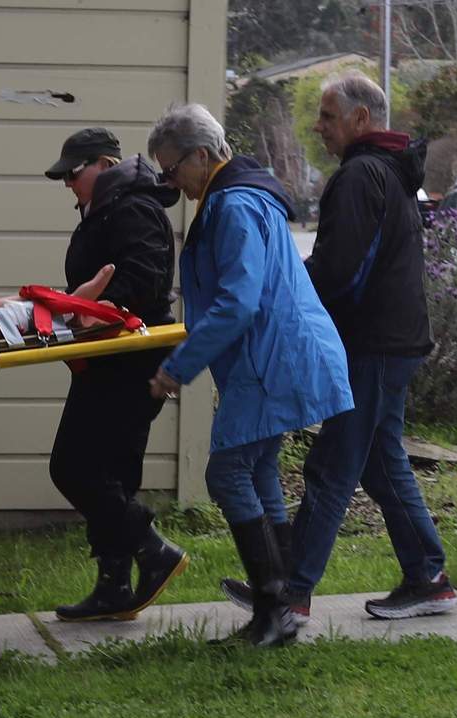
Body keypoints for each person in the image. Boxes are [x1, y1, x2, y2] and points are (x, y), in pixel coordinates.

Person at [146, 104, 353, 646]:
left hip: (272, 360)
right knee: (258, 471)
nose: (171, 183)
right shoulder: (240, 195)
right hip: (279, 354)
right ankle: (280, 606)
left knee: (228, 473)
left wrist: (176, 369)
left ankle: (275, 609)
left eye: (172, 170)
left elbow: (238, 302)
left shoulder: (233, 204)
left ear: (201, 155)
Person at [270, 71, 456, 624]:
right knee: (378, 461)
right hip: (393, 340)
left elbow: (340, 271)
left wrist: (287, 296)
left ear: (360, 119)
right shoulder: (390, 171)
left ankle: (289, 593)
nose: (319, 126)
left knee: (333, 464)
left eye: (328, 116)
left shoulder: (359, 175)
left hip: (373, 343)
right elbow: (352, 264)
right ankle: (428, 577)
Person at [42, 127, 189, 622]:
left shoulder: (132, 208)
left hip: (129, 360)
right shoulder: (107, 208)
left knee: (73, 468)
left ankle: (153, 550)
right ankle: (114, 586)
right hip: (110, 358)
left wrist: (90, 309)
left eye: (72, 173)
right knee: (111, 473)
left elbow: (145, 280)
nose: (67, 184)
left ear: (105, 164)